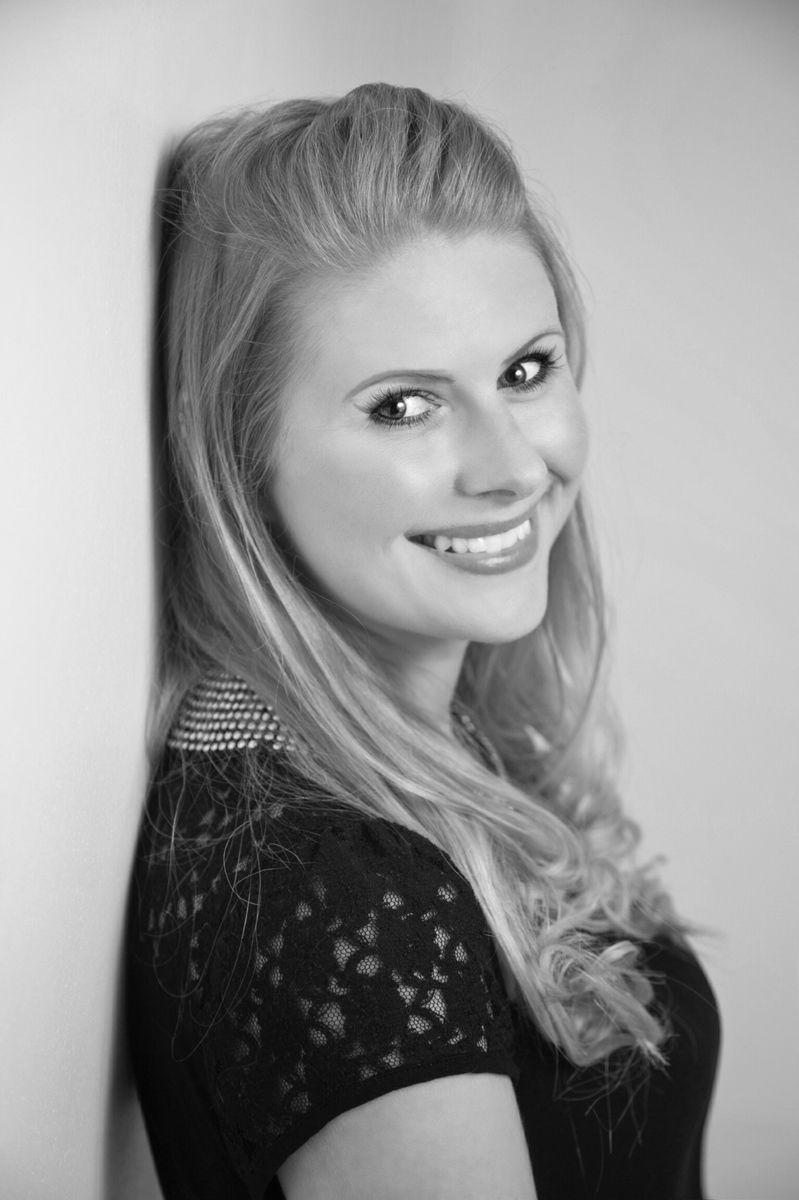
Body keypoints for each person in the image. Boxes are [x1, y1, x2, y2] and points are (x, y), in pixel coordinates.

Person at [126, 83, 720, 1199]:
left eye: (525, 371)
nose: (509, 463)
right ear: (240, 453)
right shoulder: (327, 882)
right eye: (403, 405)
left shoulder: (407, 743)